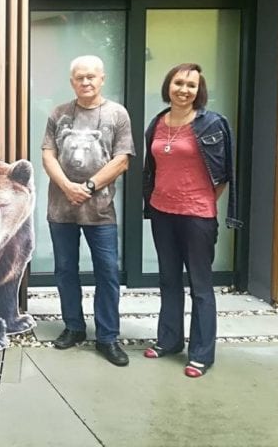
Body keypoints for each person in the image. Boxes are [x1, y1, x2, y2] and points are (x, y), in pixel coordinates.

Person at [142, 63, 241, 378]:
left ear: (200, 91)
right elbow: (153, 167)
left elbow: (224, 173)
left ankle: (201, 353)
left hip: (197, 215)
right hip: (161, 211)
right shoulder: (157, 123)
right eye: (178, 83)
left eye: (191, 85)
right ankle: (169, 341)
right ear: (168, 85)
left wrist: (205, 201)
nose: (184, 89)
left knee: (200, 286)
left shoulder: (212, 124)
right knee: (169, 280)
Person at [42, 55, 135, 367]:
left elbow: (122, 159)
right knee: (65, 269)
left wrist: (90, 187)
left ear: (102, 79)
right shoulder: (59, 114)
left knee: (107, 272)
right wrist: (68, 187)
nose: (86, 82)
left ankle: (108, 336)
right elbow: (48, 155)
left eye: (91, 77)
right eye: (80, 77)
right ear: (72, 82)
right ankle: (74, 327)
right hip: (61, 207)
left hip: (100, 209)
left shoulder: (117, 114)